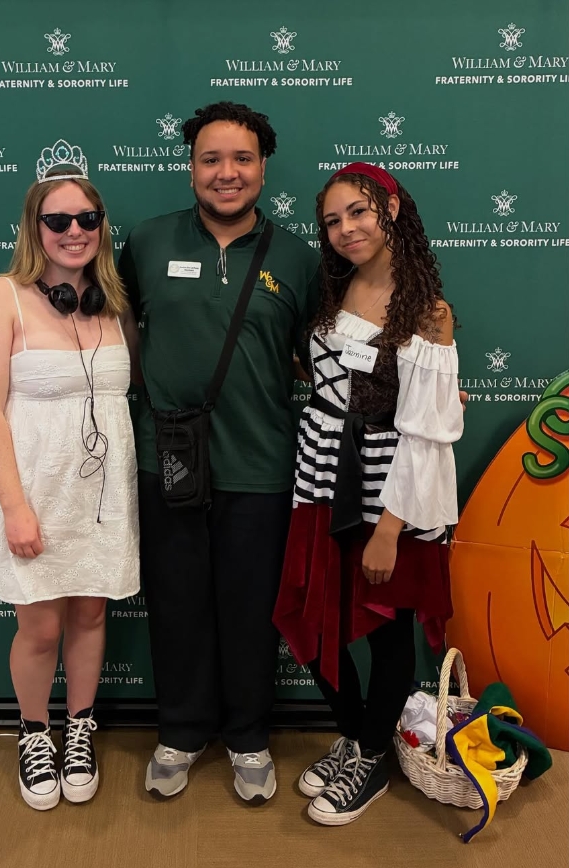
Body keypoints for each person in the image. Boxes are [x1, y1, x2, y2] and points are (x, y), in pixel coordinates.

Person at [118, 102, 321, 804]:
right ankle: (179, 728)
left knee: (248, 608)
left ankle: (247, 736)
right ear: (191, 166)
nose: (225, 173)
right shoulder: (145, 242)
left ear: (263, 167)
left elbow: (328, 352)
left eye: (241, 159)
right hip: (165, 458)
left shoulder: (297, 257)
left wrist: (431, 370)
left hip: (262, 463)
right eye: (210, 159)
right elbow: (112, 332)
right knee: (174, 603)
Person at [273, 162, 464, 826]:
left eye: (356, 212)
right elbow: (327, 371)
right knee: (315, 617)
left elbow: (425, 433)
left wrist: (390, 527)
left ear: (389, 208)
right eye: (331, 221)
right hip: (319, 480)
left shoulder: (428, 313)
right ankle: (358, 737)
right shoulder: (335, 287)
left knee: (386, 632)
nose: (345, 230)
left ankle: (370, 760)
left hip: (388, 495)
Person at [0, 143, 140, 811]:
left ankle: (80, 728)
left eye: (86, 219)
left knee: (90, 613)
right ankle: (35, 733)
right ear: (34, 227)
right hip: (32, 487)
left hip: (101, 495)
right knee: (39, 628)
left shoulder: (112, 301)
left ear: (101, 227)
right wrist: (14, 506)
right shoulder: (0, 296)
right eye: (57, 220)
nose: (73, 232)